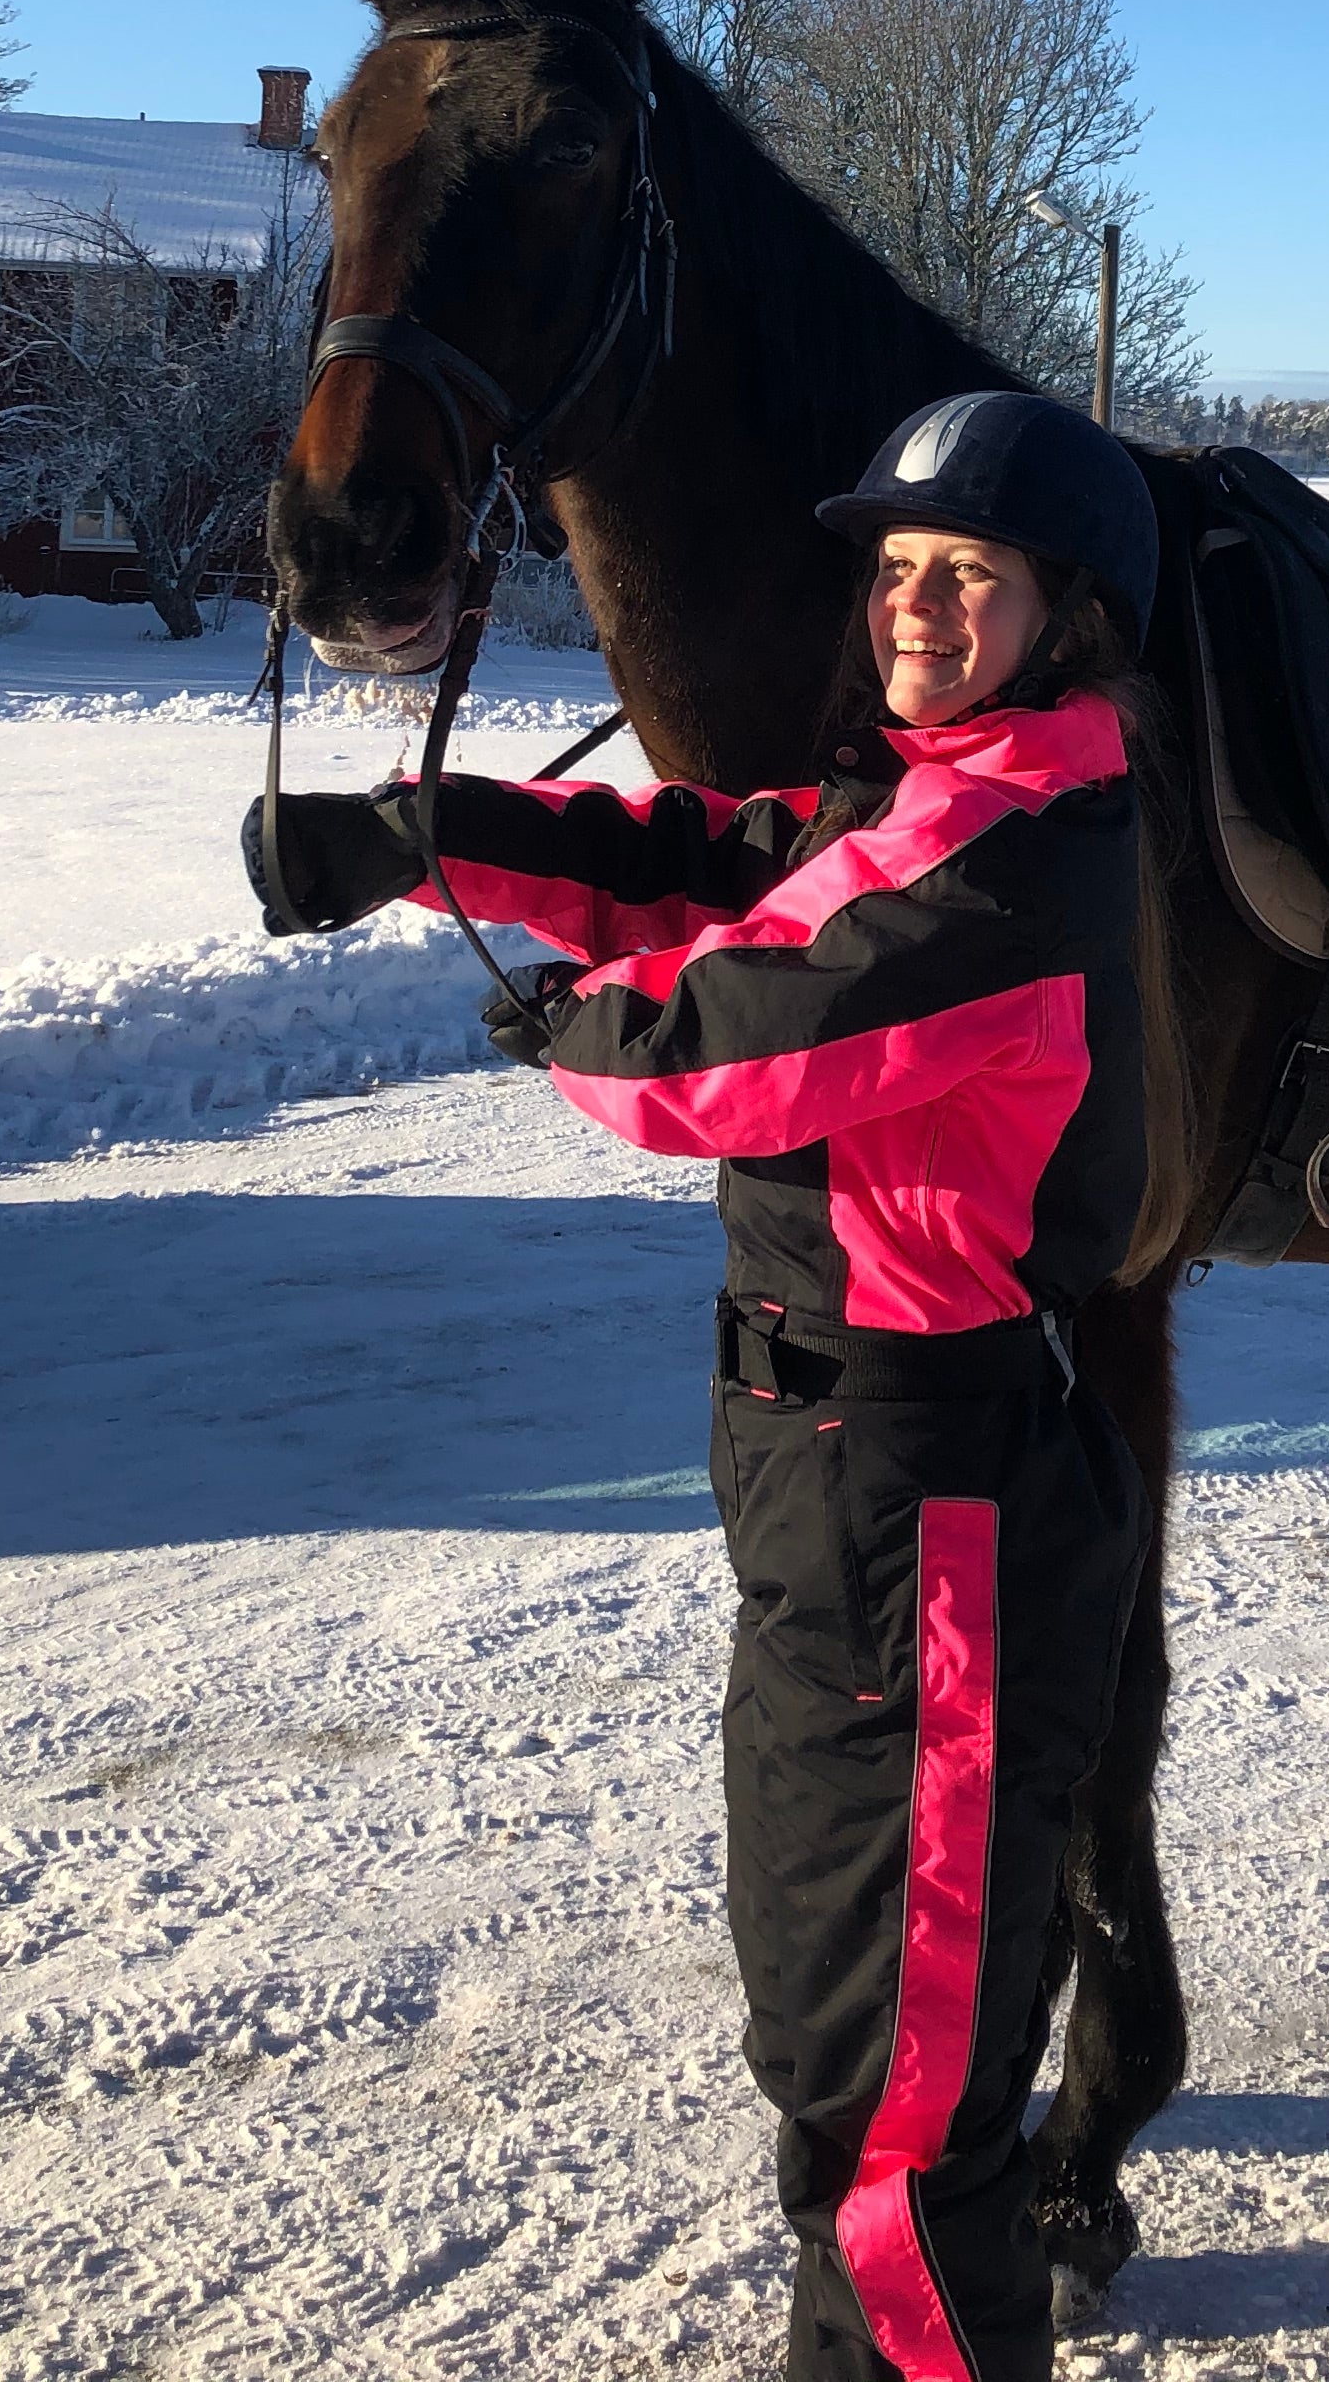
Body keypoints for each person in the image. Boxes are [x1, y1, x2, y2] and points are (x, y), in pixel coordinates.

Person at [246, 389, 1164, 2382]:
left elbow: (719, 1038)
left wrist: (552, 1022)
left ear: (1067, 612)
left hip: (938, 1492)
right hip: (827, 1476)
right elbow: (704, 863)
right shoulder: (915, 798)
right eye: (901, 569)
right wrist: (431, 834)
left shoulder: (1015, 863)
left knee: (901, 2079)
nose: (916, 607)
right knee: (826, 1999)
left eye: (971, 577)